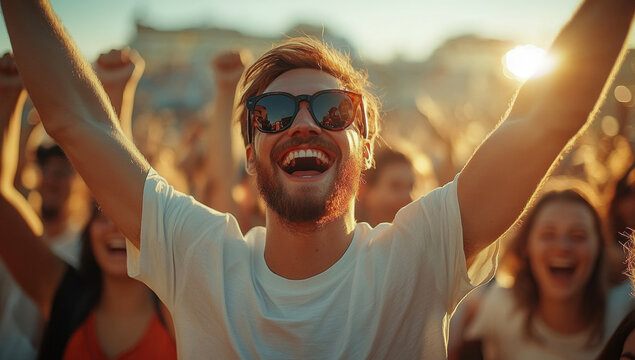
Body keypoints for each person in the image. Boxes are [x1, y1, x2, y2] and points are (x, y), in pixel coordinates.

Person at [2, 0, 634, 358]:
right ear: (250, 153)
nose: (302, 124)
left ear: (363, 147)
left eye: (332, 110)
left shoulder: (417, 255)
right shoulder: (198, 256)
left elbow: (545, 117)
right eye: (274, 113)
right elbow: (78, 120)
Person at [0, 50, 177, 359]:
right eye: (101, 215)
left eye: (133, 217)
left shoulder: (179, 311)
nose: (117, 226)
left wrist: (119, 94)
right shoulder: (60, 291)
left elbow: (128, 192)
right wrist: (7, 100)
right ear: (86, 226)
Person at [461, 187, 632, 359]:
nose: (563, 247)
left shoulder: (626, 310)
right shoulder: (500, 307)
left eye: (578, 235)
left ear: (599, 248)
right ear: (526, 247)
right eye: (548, 234)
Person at [356, 146, 416, 226]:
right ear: (366, 189)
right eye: (396, 186)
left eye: (411, 187)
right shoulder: (346, 236)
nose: (408, 197)